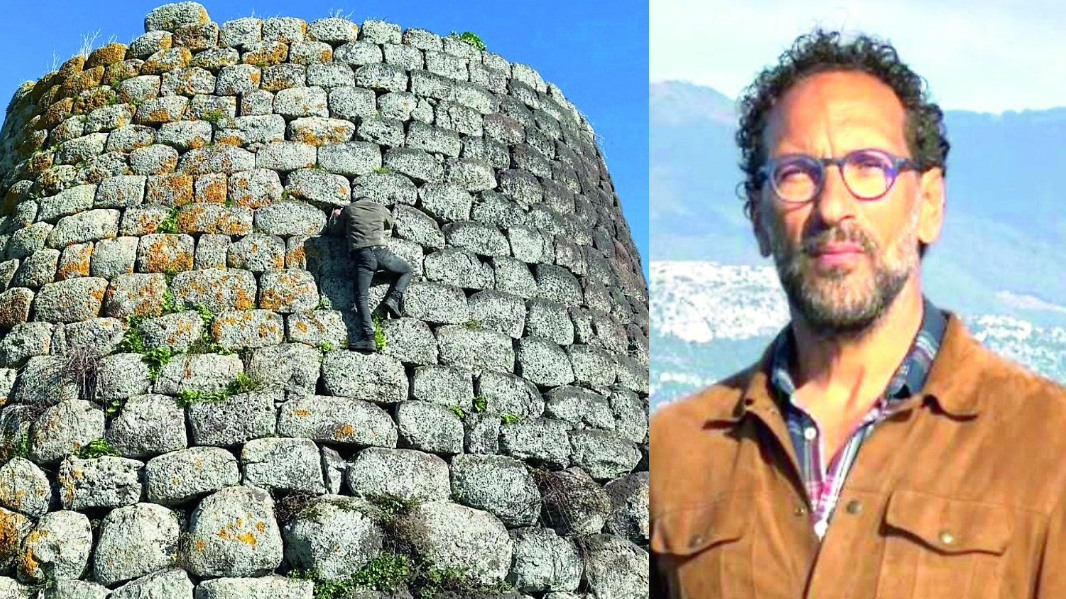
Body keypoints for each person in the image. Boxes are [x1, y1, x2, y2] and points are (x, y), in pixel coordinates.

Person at [650, 29, 1066, 598]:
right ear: (757, 217)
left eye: (869, 167)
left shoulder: (1048, 444)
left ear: (929, 204)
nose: (832, 205)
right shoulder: (674, 452)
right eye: (796, 173)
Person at [328, 198, 412, 352]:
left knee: (361, 297)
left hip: (363, 255)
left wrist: (336, 215)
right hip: (381, 253)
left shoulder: (349, 209)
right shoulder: (380, 208)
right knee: (407, 270)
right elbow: (389, 223)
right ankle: (393, 298)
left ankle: (368, 338)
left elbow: (336, 229)